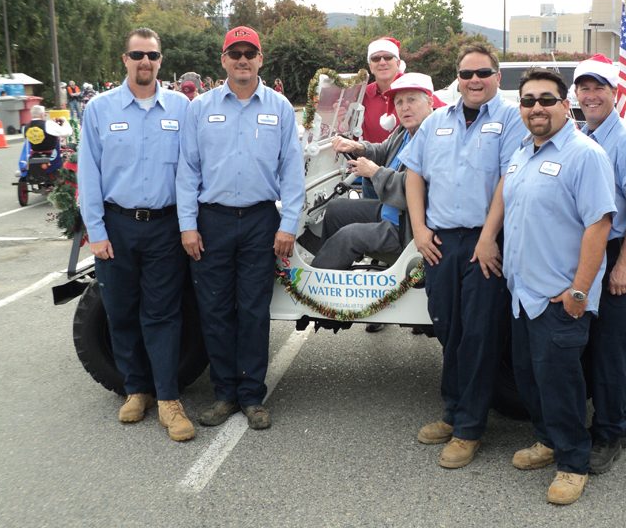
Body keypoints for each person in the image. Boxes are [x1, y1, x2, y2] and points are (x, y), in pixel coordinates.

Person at [477, 68, 616, 504]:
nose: (536, 108)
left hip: (560, 297)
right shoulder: (522, 152)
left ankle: (573, 463)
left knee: (561, 383)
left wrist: (578, 291)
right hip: (523, 295)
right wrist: (486, 236)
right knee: (530, 379)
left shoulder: (585, 154)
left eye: (546, 100)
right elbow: (507, 196)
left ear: (565, 104)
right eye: (528, 101)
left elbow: (599, 225)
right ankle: (547, 439)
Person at [402, 43, 527, 469]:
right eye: (467, 73)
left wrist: (489, 236)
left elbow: (509, 179)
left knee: (478, 333)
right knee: (448, 327)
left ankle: (470, 428)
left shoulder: (511, 119)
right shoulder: (436, 120)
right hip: (440, 242)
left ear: (497, 76)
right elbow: (414, 174)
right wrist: (419, 230)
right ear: (457, 77)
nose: (475, 80)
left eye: (483, 73)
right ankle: (453, 410)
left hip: (484, 242)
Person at [177, 26, 305, 431]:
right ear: (224, 60)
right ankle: (224, 393)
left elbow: (291, 171)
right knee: (214, 309)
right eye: (236, 53)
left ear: (261, 59)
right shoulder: (200, 108)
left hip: (259, 220)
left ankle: (252, 396)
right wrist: (187, 226)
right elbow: (187, 171)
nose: (243, 59)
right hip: (211, 220)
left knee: (252, 309)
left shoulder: (280, 108)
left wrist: (288, 224)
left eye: (250, 52)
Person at [77, 27, 194, 442]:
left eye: (153, 55)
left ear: (161, 61)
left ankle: (167, 400)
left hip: (164, 225)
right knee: (121, 310)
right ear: (124, 59)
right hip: (117, 225)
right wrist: (96, 230)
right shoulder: (100, 110)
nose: (145, 61)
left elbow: (189, 171)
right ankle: (135, 390)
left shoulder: (181, 108)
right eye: (137, 54)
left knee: (163, 313)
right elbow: (89, 174)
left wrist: (187, 226)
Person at [573, 54, 626, 474]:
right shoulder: (586, 136)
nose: (590, 95)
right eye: (583, 88)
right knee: (591, 340)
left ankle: (610, 432)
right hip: (595, 249)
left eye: (598, 88)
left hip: (622, 249)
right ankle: (611, 422)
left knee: (609, 344)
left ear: (616, 93)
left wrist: (624, 264)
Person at [312, 73, 439, 270]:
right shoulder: (405, 131)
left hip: (405, 227)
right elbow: (383, 150)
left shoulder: (436, 138)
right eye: (399, 102)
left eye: (412, 100)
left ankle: (312, 289)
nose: (404, 107)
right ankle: (329, 268)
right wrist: (356, 146)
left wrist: (374, 172)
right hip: (390, 210)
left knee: (348, 236)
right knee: (336, 209)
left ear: (430, 101)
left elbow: (416, 191)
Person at [360, 37, 405, 200]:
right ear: (370, 66)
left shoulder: (412, 90)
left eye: (388, 57)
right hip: (371, 175)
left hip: (404, 178)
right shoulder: (361, 95)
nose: (382, 62)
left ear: (398, 63)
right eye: (376, 58)